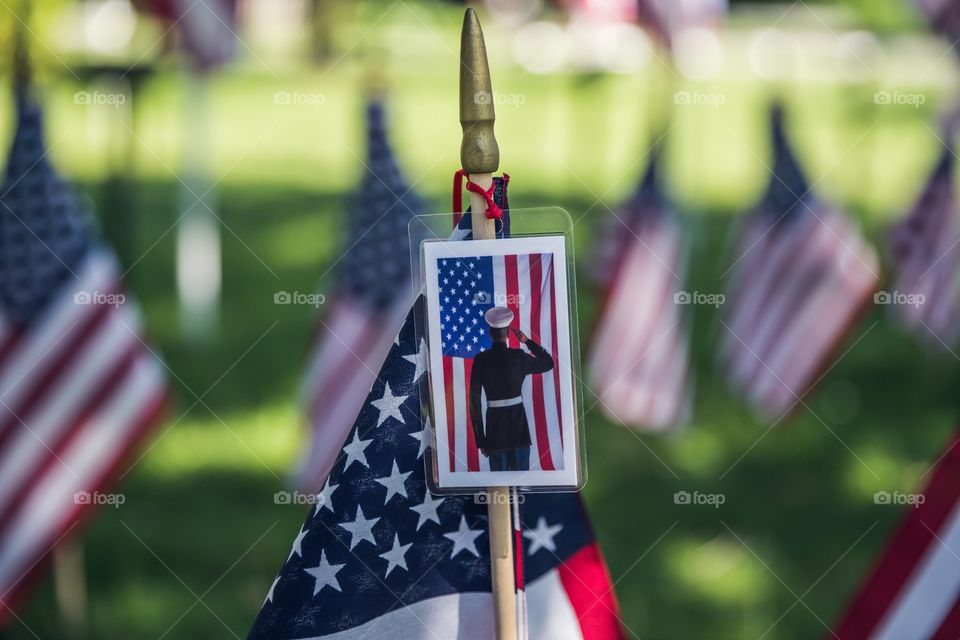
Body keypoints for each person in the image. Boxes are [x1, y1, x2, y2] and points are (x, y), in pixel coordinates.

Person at [469, 306, 554, 471]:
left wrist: (481, 439)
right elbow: (548, 363)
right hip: (519, 431)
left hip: (494, 433)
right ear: (508, 334)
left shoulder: (481, 360)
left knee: (499, 490)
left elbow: (474, 400)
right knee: (519, 488)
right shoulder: (519, 357)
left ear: (490, 333)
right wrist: (528, 342)